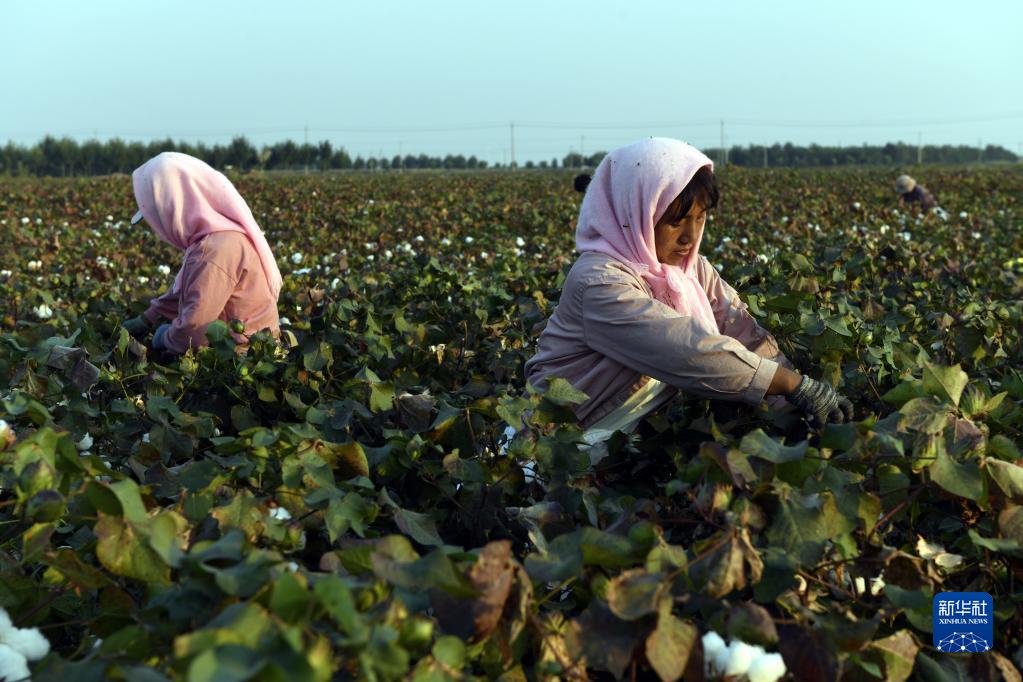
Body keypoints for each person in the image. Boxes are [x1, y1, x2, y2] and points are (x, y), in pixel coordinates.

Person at [524, 138, 852, 441]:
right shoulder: (598, 281)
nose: (690, 236)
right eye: (675, 221)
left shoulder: (692, 271)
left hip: (627, 442)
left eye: (700, 218)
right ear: (635, 214)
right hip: (559, 445)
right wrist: (788, 383)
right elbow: (683, 347)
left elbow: (743, 334)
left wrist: (796, 407)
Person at [121, 152, 282, 354]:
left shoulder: (214, 251)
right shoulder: (217, 238)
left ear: (173, 209)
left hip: (243, 358)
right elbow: (182, 295)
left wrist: (162, 338)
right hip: (239, 350)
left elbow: (193, 332)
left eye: (157, 218)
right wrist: (147, 319)